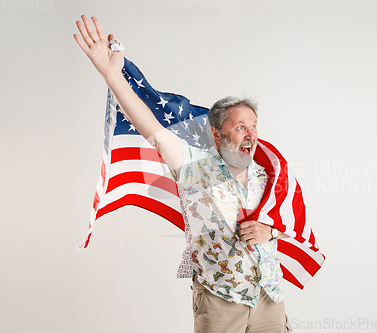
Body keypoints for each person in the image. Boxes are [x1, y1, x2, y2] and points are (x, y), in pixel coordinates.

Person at [74, 15, 292, 332]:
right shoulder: (194, 166)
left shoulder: (267, 173)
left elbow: (289, 227)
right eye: (240, 126)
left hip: (270, 298)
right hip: (221, 301)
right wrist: (112, 75)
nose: (250, 134)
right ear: (217, 134)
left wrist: (270, 233)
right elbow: (155, 132)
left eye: (254, 126)